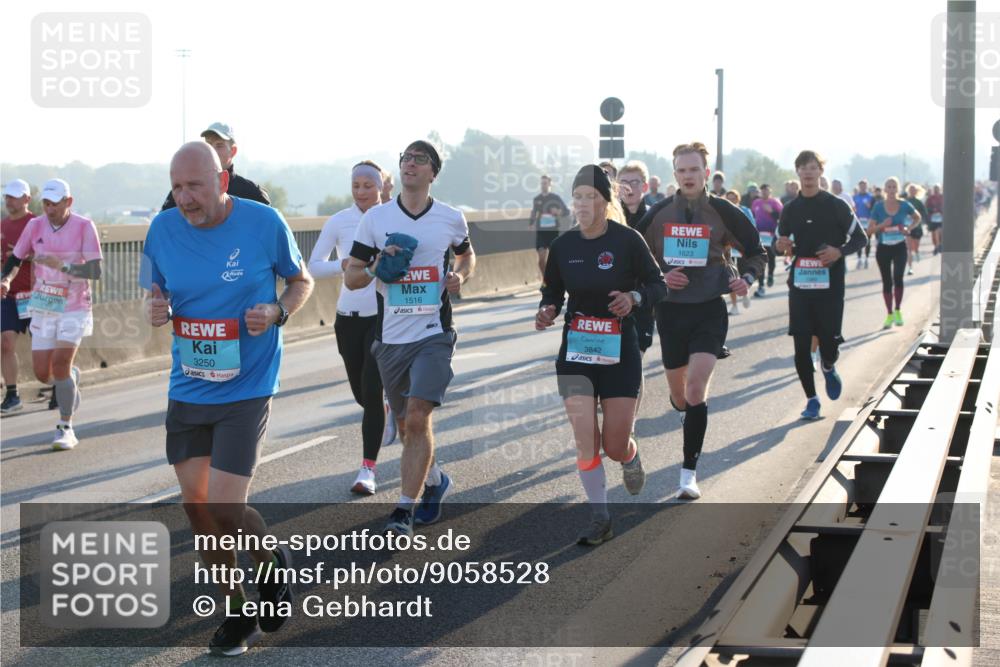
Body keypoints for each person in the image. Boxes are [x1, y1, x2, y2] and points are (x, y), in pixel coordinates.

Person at [142, 142, 313, 656]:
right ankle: (238, 612)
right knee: (198, 508)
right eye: (176, 187)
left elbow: (300, 281)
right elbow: (156, 292)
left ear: (221, 180)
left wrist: (277, 312)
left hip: (247, 386)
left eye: (194, 186)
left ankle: (270, 564)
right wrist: (156, 307)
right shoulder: (161, 229)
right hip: (189, 384)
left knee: (224, 506)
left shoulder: (263, 223)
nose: (184, 198)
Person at [345, 140, 476, 538]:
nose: (411, 164)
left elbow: (467, 254)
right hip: (390, 338)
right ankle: (435, 480)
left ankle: (403, 510)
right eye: (406, 158)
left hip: (434, 334)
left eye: (421, 160)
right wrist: (375, 267)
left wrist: (460, 276)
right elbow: (352, 277)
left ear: (433, 172)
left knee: (418, 416)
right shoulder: (375, 219)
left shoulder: (450, 218)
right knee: (406, 426)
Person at [536, 165, 665, 545]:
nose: (582, 204)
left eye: (590, 197)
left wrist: (634, 297)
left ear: (605, 201)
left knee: (613, 444)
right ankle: (600, 517)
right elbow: (552, 291)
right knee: (585, 440)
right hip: (577, 350)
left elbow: (658, 285)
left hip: (619, 350)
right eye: (577, 197)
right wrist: (547, 309)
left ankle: (629, 455)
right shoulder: (564, 245)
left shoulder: (627, 240)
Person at [640, 142, 766, 500]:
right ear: (674, 174)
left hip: (709, 309)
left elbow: (756, 252)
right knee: (681, 396)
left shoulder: (724, 211)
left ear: (706, 173)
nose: (688, 176)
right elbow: (634, 258)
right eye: (681, 170)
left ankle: (688, 474)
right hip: (671, 311)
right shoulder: (659, 213)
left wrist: (747, 278)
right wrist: (661, 277)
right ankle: (686, 413)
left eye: (694, 169)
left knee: (696, 388)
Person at [308, 161, 396, 495]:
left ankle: (367, 470)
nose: (361, 192)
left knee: (371, 391)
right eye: (356, 185)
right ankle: (385, 409)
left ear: (381, 187)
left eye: (368, 185)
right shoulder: (339, 221)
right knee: (363, 395)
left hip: (382, 318)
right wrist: (342, 264)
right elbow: (313, 267)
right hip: (347, 319)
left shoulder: (392, 218)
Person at [1, 179, 102, 449]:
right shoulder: (35, 225)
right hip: (45, 303)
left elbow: (95, 270)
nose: (49, 209)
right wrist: (6, 279)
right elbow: (16, 258)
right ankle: (70, 377)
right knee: (42, 374)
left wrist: (64, 266)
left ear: (68, 202)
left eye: (54, 204)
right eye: (45, 203)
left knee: (60, 364)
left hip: (75, 305)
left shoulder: (84, 226)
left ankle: (65, 427)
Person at [777, 151, 867, 421]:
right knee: (801, 344)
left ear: (820, 171)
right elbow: (780, 243)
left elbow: (860, 238)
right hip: (800, 285)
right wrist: (780, 245)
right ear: (797, 171)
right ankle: (812, 400)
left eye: (813, 167)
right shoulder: (791, 209)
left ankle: (828, 365)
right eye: (803, 167)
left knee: (829, 341)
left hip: (830, 287)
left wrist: (839, 251)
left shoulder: (835, 205)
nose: (808, 172)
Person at [160, 122, 270, 211]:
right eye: (208, 144)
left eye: (219, 145)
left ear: (233, 151)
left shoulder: (252, 193)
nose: (212, 150)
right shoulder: (184, 192)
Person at [1, 179, 34, 414]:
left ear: (27, 199)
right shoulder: (2, 226)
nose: (9, 200)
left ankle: (59, 384)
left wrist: (24, 255)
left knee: (43, 345)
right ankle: (12, 395)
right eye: (7, 196)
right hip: (9, 294)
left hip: (37, 294)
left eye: (14, 196)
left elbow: (52, 254)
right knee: (5, 343)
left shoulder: (37, 223)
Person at [869, 177, 920, 329]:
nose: (891, 190)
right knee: (887, 281)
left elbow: (917, 217)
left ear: (897, 189)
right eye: (889, 187)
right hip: (883, 248)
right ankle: (889, 313)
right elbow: (869, 230)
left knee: (898, 277)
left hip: (899, 247)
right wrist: (882, 225)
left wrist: (908, 228)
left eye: (894, 187)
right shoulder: (878, 207)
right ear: (885, 189)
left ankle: (897, 310)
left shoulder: (904, 205)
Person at [528, 175, 569, 282]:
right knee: (541, 260)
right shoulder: (537, 199)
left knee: (555, 259)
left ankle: (559, 279)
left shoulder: (555, 198)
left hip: (553, 232)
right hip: (541, 232)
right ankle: (546, 281)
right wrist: (531, 223)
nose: (543, 185)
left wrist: (558, 212)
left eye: (545, 183)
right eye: (542, 183)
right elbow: (534, 213)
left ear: (550, 184)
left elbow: (566, 212)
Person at [723, 189, 755, 314]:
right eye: (729, 199)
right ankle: (734, 305)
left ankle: (744, 292)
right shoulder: (722, 211)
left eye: (734, 198)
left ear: (738, 199)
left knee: (741, 272)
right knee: (731, 276)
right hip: (727, 248)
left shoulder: (745, 210)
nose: (731, 201)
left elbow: (752, 227)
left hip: (741, 247)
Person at [750, 183, 783, 294]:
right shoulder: (756, 203)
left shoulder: (775, 202)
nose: (764, 192)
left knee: (771, 257)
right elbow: (752, 216)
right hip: (759, 235)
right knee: (761, 259)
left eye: (766, 190)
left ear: (770, 191)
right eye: (762, 190)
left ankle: (770, 275)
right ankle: (761, 285)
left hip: (771, 235)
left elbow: (782, 217)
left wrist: (771, 211)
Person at [904, 183, 929, 274]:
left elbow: (924, 213)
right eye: (911, 189)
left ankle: (917, 251)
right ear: (908, 191)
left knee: (916, 246)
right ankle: (910, 268)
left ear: (916, 191)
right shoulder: (905, 202)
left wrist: (924, 221)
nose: (912, 191)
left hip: (917, 226)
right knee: (909, 248)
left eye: (914, 190)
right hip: (907, 227)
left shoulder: (918, 202)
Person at [852, 179, 876, 269]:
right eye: (861, 186)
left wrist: (870, 206)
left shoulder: (871, 197)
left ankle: (866, 258)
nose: (863, 187)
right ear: (859, 186)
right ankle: (859, 259)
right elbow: (852, 209)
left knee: (867, 240)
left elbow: (874, 209)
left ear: (866, 186)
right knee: (858, 240)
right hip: (858, 221)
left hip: (868, 221)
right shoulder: (855, 197)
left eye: (864, 185)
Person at [926, 183, 943, 255]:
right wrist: (932, 210)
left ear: (940, 189)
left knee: (939, 232)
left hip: (941, 218)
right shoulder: (930, 198)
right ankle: (936, 246)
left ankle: (940, 245)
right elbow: (927, 208)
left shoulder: (943, 197)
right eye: (935, 189)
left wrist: (941, 210)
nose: (936, 190)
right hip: (933, 218)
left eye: (937, 189)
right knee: (934, 234)